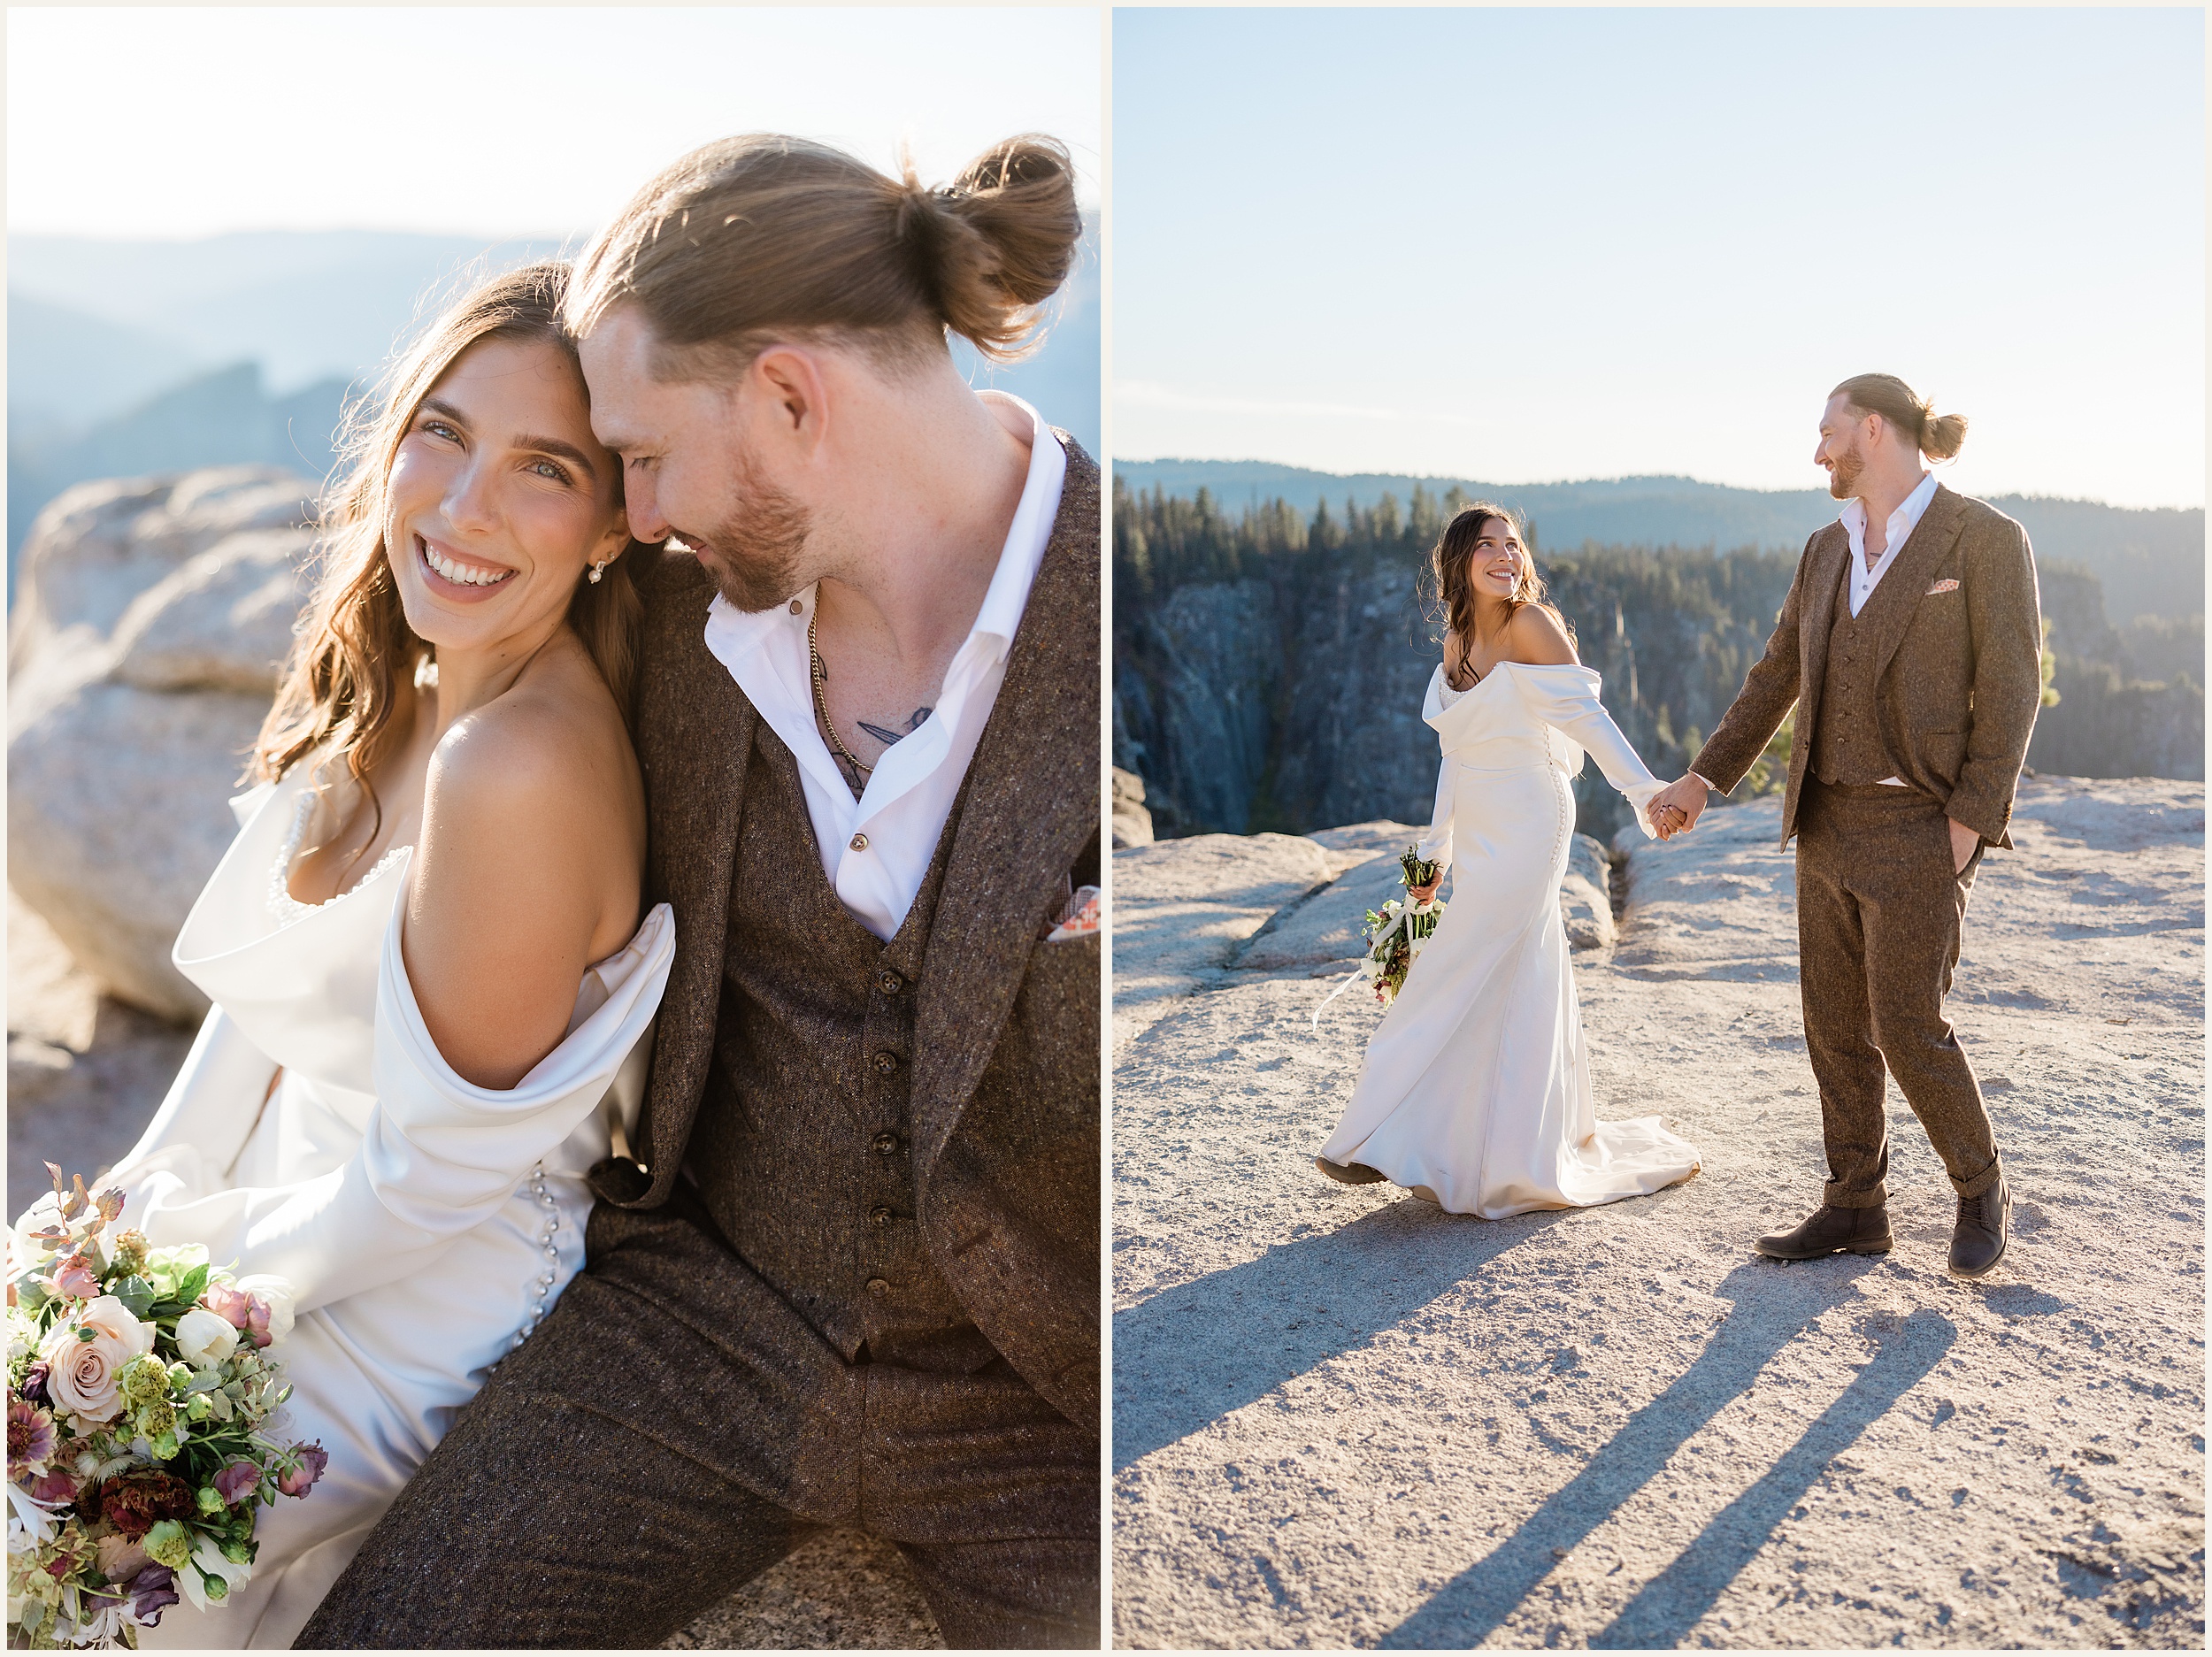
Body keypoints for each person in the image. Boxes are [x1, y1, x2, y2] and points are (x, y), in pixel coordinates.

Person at [301, 132, 1102, 1649]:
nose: (642, 516)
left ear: (793, 398)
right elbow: (467, 616)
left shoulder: (1125, 615)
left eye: (646, 458)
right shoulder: (679, 611)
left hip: (1049, 1421)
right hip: (699, 1333)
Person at [8, 262, 672, 1648]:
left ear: (614, 524)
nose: (465, 504)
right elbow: (257, 1007)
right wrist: (114, 1227)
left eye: (542, 467)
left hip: (400, 1318)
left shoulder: (521, 763)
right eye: (443, 431)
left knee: (51, 1540)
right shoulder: (422, 686)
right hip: (282, 1230)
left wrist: (179, 1289)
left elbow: (427, 1179)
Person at [1647, 373, 2042, 1278]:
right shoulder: (1825, 549)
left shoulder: (1984, 541)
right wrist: (1704, 778)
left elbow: (2014, 690)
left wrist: (1967, 826)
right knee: (1832, 1025)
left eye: (1826, 430)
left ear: (1872, 429)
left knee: (1905, 1021)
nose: (1816, 449)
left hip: (1920, 822)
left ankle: (1979, 1184)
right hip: (1825, 819)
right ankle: (1855, 1205)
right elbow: (1774, 674)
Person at [1314, 504, 1701, 1216]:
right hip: (1485, 820)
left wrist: (1647, 793)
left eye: (1513, 544)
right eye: (1486, 545)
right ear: (1458, 562)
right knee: (1517, 972)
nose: (1504, 555)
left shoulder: (1532, 624)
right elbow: (1454, 758)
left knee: (1453, 966)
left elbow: (1589, 720)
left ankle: (1377, 1137)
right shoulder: (1457, 644)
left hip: (1533, 815)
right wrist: (1433, 856)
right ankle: (1481, 1144)